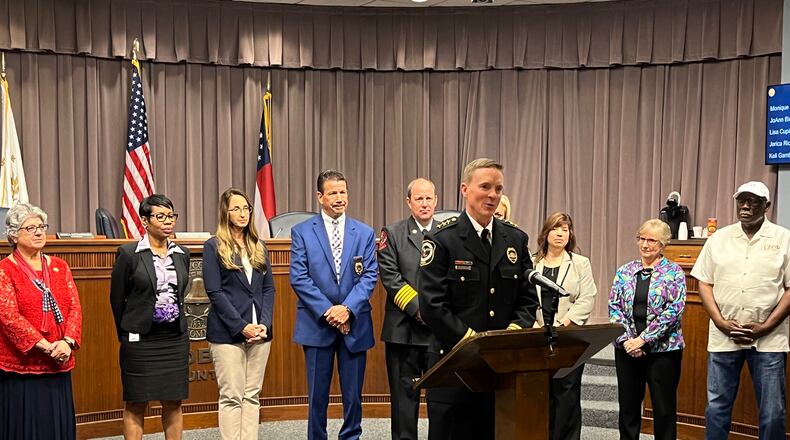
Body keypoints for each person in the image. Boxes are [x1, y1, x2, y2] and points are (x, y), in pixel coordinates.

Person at [418, 158, 539, 440]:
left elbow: (528, 298)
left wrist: (512, 333)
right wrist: (472, 341)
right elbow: (432, 305)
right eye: (485, 186)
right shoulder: (442, 239)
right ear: (464, 189)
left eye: (498, 188)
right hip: (454, 367)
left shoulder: (515, 239)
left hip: (500, 368)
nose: (492, 195)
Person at [691, 181, 790, 440]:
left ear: (767, 206)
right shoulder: (719, 238)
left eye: (754, 201)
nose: (746, 206)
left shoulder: (784, 238)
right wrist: (720, 321)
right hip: (725, 336)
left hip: (769, 340)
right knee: (717, 408)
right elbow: (704, 282)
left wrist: (765, 327)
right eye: (741, 200)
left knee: (772, 412)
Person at [290, 170, 378, 440]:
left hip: (355, 324)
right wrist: (330, 312)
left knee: (353, 396)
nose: (339, 198)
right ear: (320, 196)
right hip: (318, 325)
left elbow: (370, 274)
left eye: (343, 192)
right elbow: (299, 276)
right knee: (318, 396)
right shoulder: (302, 232)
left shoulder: (364, 232)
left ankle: (351, 437)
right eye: (332, 193)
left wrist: (347, 309)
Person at [109, 194, 191, 440]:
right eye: (161, 216)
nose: (168, 221)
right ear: (145, 221)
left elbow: (180, 294)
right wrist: (127, 333)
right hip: (140, 340)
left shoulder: (182, 253)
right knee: (136, 401)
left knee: (173, 402)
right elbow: (117, 299)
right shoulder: (129, 254)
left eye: (171, 216)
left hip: (174, 339)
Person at [0, 203, 82, 440]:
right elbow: (8, 317)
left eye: (41, 226)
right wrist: (46, 347)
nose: (39, 232)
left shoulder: (59, 266)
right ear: (14, 235)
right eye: (30, 228)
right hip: (23, 369)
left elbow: (75, 307)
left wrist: (66, 342)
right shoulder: (5, 270)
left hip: (59, 362)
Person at [203, 188, 275, 440]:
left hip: (260, 334)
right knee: (232, 395)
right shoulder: (214, 246)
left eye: (246, 208)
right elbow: (215, 292)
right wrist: (242, 326)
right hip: (227, 333)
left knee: (252, 395)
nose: (242, 213)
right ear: (226, 212)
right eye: (236, 208)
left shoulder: (258, 245)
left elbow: (268, 289)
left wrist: (264, 324)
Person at [609, 218, 685, 440]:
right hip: (627, 350)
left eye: (651, 240)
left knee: (664, 410)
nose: (645, 244)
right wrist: (627, 341)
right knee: (628, 408)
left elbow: (674, 311)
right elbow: (614, 307)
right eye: (641, 238)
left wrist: (643, 339)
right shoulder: (625, 271)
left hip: (663, 352)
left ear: (663, 244)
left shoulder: (674, 272)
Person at [377, 177, 437, 440]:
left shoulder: (450, 232)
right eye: (419, 198)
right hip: (403, 331)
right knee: (403, 402)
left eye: (429, 198)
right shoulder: (392, 233)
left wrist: (437, 312)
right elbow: (390, 277)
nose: (424, 204)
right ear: (408, 202)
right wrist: (420, 310)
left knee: (441, 402)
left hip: (440, 332)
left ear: (436, 200)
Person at [532, 212, 596, 440]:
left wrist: (562, 324)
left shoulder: (580, 263)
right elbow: (524, 299)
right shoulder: (532, 263)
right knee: (541, 394)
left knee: (567, 393)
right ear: (546, 233)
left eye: (565, 229)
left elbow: (587, 298)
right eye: (555, 229)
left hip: (569, 339)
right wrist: (537, 326)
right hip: (537, 338)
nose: (560, 234)